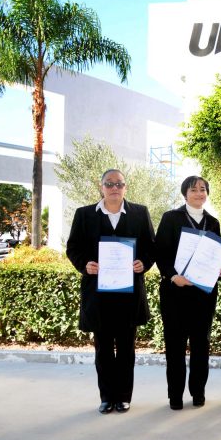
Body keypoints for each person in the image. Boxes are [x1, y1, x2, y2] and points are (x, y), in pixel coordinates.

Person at [66, 169, 155, 414]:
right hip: (98, 294)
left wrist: (143, 263)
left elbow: (150, 247)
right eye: (109, 183)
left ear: (125, 187)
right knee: (103, 349)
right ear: (101, 187)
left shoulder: (139, 213)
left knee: (127, 348)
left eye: (119, 183)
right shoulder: (84, 214)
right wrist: (85, 264)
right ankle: (106, 397)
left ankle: (124, 397)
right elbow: (73, 247)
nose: (114, 187)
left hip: (129, 293)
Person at [155, 176, 221, 410]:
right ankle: (175, 395)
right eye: (193, 189)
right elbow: (161, 254)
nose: (198, 193)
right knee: (174, 346)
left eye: (203, 189)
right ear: (185, 193)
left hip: (203, 295)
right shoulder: (171, 218)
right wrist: (174, 276)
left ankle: (198, 392)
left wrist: (220, 270)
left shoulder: (213, 222)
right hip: (175, 291)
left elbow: (216, 254)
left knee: (201, 345)